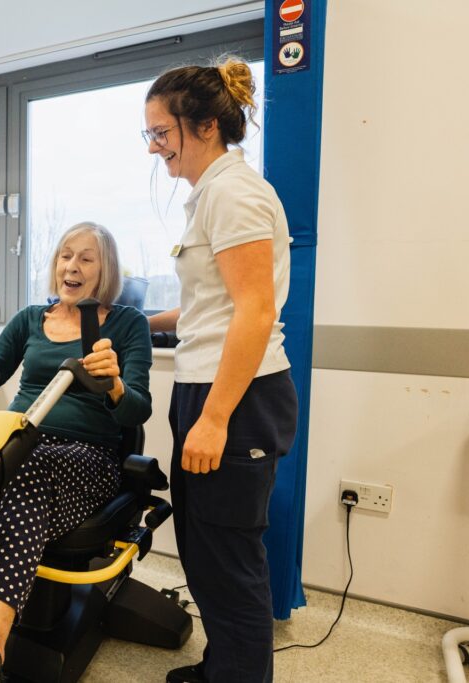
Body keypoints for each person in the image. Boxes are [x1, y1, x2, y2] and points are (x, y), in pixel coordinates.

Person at [142, 58, 299, 683]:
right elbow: (214, 304)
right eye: (149, 136)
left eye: (162, 133)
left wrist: (213, 419)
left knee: (229, 556)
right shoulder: (210, 194)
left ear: (205, 126)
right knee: (206, 551)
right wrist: (127, 319)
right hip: (209, 385)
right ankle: (223, 668)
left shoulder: (232, 193)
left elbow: (255, 312)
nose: (155, 148)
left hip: (235, 397)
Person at [0, 221, 153, 667]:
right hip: (14, 438)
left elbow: (136, 411)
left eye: (85, 258)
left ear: (105, 269)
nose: (71, 266)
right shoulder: (30, 319)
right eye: (65, 255)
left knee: (24, 469)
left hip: (85, 456)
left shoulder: (128, 325)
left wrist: (112, 384)